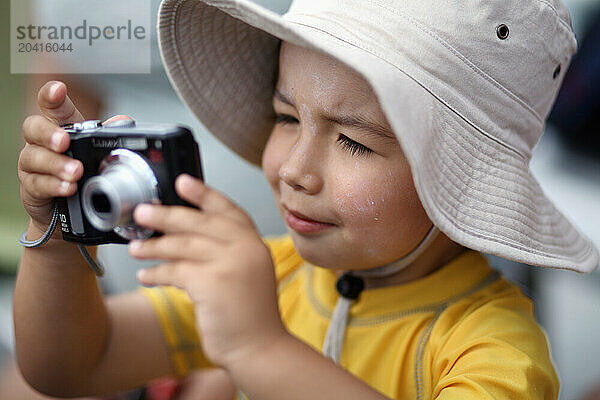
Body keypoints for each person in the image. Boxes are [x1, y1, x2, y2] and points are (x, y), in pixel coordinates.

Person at [13, 0, 599, 399]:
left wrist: (258, 346)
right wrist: (58, 237)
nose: (294, 170)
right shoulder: (276, 279)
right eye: (285, 117)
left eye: (353, 141)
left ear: (463, 181)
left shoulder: (493, 350)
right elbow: (74, 363)